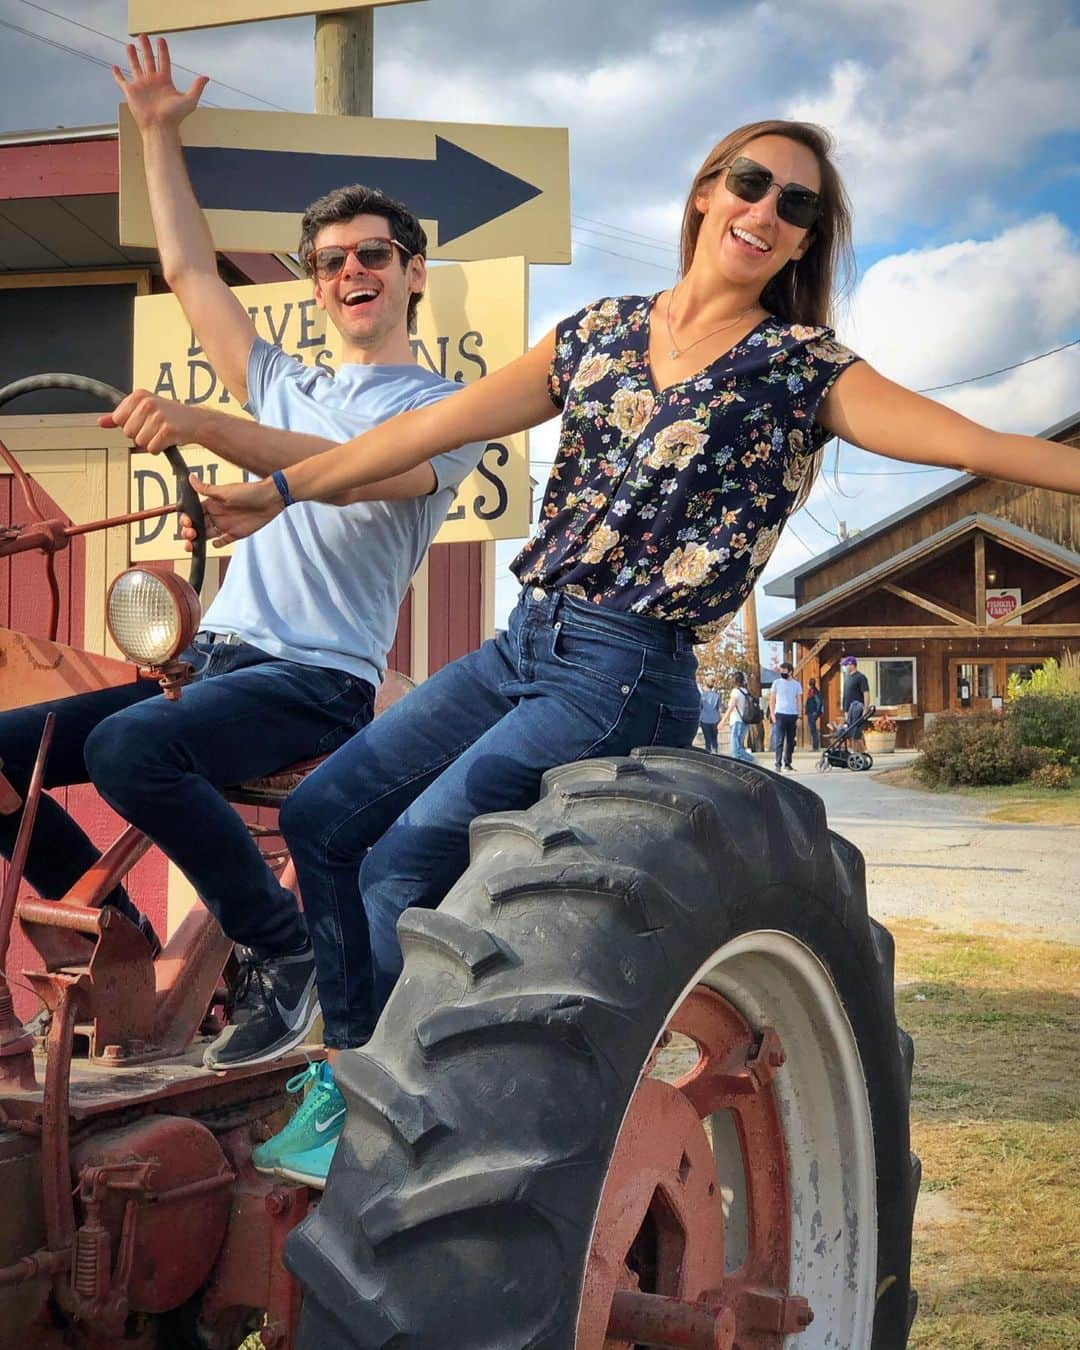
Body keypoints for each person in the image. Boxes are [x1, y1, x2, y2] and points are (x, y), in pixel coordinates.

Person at [191, 117, 1080, 1184]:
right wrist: (283, 488)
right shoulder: (599, 333)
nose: (767, 211)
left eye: (797, 206)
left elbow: (977, 441)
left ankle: (361, 1114)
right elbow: (417, 435)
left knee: (403, 857)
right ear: (707, 193)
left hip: (623, 669)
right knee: (322, 817)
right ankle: (349, 1063)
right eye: (752, 184)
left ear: (804, 243)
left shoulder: (801, 370)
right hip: (525, 642)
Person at [0, 35, 482, 1074]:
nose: (351, 270)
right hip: (213, 663)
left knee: (132, 753)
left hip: (315, 681)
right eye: (331, 261)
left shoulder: (444, 409)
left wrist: (208, 427)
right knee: (10, 751)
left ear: (411, 276)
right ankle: (117, 941)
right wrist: (156, 132)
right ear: (313, 286)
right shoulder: (284, 381)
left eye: (372, 256)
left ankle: (287, 949)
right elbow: (184, 267)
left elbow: (362, 471)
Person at [769, 661, 803, 771]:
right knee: (779, 740)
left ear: (790, 672)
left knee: (790, 741)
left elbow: (799, 701)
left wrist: (799, 716)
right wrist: (772, 714)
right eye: (781, 671)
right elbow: (772, 700)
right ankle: (777, 764)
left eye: (784, 671)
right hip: (780, 714)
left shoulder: (796, 684)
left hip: (792, 715)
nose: (782, 673)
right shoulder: (776, 683)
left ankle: (787, 763)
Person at [722, 672, 757, 763]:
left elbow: (731, 707)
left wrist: (722, 721)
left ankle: (753, 761)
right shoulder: (746, 691)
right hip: (744, 723)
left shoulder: (735, 692)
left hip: (737, 722)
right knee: (739, 748)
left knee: (735, 750)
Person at [840, 655, 871, 752]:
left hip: (857, 708)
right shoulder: (847, 678)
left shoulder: (860, 677)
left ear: (851, 665)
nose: (844, 667)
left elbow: (866, 693)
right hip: (848, 710)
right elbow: (846, 695)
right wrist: (845, 711)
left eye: (845, 665)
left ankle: (861, 753)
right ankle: (855, 754)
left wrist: (865, 709)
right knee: (850, 734)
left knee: (856, 733)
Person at [698, 676, 722, 753]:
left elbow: (700, 708)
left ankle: (708, 755)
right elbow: (719, 708)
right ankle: (716, 753)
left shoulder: (702, 696)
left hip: (704, 720)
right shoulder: (717, 696)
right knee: (714, 740)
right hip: (715, 719)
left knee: (707, 740)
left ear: (705, 684)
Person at [805, 677, 823, 750]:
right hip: (811, 712)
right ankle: (815, 746)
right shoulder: (813, 691)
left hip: (812, 712)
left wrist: (816, 711)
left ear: (809, 684)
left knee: (813, 730)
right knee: (813, 730)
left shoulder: (813, 691)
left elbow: (818, 702)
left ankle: (815, 747)